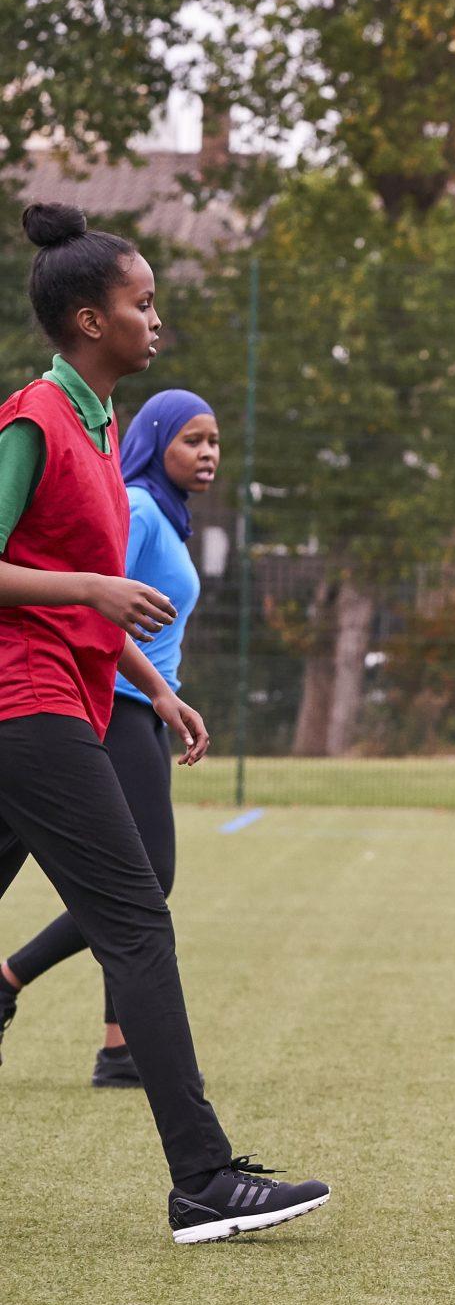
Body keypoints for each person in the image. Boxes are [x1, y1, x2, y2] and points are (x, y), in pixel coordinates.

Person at [0, 204, 327, 1243]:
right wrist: (95, 592)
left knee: (132, 917)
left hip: (69, 692)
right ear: (90, 320)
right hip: (26, 704)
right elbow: (60, 584)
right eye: (143, 305)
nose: (158, 320)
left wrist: (156, 679)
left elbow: (88, 595)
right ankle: (204, 1180)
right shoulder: (33, 423)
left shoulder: (98, 429)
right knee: (138, 920)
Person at [1, 387, 220, 1087]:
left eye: (215, 440)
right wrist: (148, 688)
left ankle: (118, 1045)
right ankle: (17, 981)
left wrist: (166, 693)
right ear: (155, 441)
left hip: (136, 703)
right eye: (192, 439)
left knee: (132, 885)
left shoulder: (167, 514)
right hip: (95, 700)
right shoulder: (139, 506)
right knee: (141, 884)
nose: (208, 452)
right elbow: (89, 592)